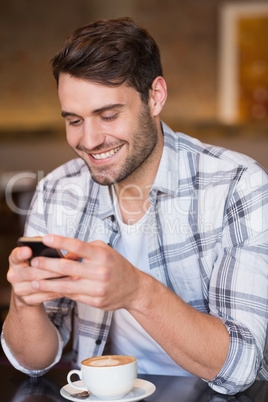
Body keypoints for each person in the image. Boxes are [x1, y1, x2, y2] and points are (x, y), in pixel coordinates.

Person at [1, 17, 268, 396]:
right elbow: (34, 362)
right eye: (74, 120)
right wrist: (25, 302)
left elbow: (240, 367)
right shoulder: (58, 189)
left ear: (155, 96)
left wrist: (137, 292)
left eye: (108, 115)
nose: (89, 140)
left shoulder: (238, 184)